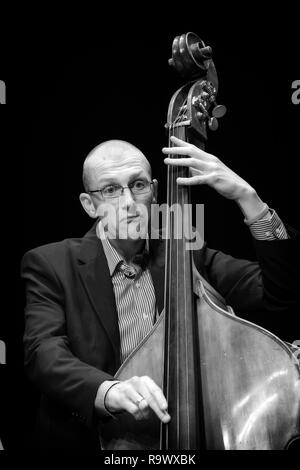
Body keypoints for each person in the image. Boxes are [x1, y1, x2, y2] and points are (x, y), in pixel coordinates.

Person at [21, 136, 299, 450]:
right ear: (90, 204)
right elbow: (43, 353)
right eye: (110, 190)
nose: (128, 202)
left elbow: (281, 293)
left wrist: (249, 199)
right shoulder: (51, 264)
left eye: (138, 185)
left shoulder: (184, 251)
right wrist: (109, 391)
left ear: (154, 192)